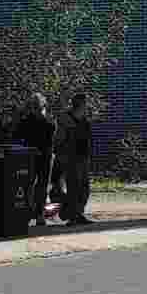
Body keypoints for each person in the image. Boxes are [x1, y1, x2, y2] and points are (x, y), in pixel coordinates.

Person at [13, 93, 58, 224]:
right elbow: (51, 138)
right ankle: (37, 214)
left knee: (31, 185)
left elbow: (17, 134)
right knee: (39, 185)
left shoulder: (27, 121)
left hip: (33, 156)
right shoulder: (47, 121)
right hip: (42, 156)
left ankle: (31, 213)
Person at [55, 92, 96, 225]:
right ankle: (72, 214)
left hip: (83, 157)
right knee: (74, 187)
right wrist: (61, 155)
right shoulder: (66, 120)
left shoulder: (84, 120)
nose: (87, 106)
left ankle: (77, 213)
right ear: (80, 104)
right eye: (85, 103)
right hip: (71, 158)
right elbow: (59, 140)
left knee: (84, 188)